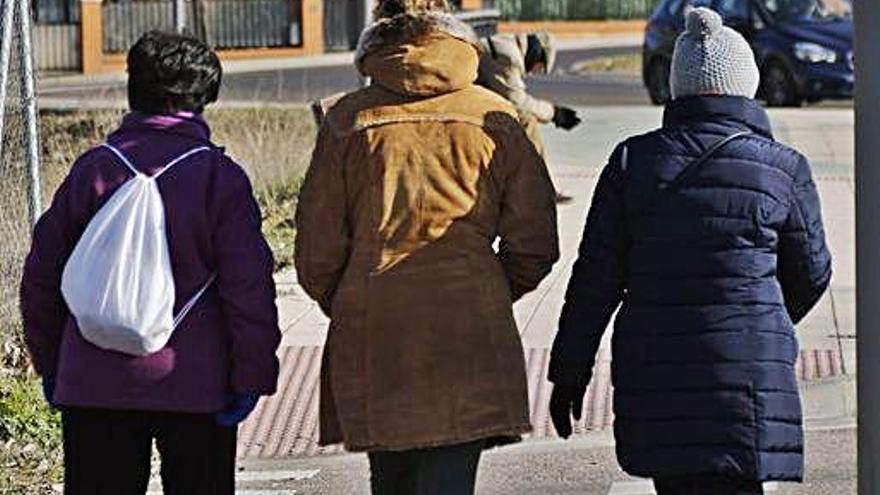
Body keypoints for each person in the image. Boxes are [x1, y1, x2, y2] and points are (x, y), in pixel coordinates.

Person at [548, 8, 831, 495]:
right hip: (749, 372)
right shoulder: (784, 168)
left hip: (658, 373)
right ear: (746, 83)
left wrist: (569, 371)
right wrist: (763, 315)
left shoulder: (632, 161)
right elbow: (813, 272)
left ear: (679, 86)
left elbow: (595, 278)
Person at [294, 0, 560, 493]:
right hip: (469, 320)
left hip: (376, 321)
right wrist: (489, 286)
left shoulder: (346, 120)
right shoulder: (498, 117)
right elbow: (535, 242)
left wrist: (350, 295)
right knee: (451, 472)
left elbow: (317, 249)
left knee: (390, 474)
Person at [20, 31, 281, 495]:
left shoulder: (92, 171)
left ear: (133, 89)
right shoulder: (220, 179)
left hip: (93, 386)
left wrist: (52, 364)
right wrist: (251, 376)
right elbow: (249, 291)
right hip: (195, 384)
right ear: (205, 97)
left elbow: (41, 278)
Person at [477, 30, 582, 203]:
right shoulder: (507, 57)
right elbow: (517, 102)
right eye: (540, 67)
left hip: (475, 98)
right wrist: (554, 113)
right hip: (468, 103)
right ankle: (541, 189)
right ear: (536, 54)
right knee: (527, 122)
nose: (534, 72)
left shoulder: (505, 45)